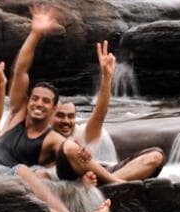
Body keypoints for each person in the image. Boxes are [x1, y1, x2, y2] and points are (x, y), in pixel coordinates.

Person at [0, 4, 115, 212]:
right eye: (34, 98)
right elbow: (20, 71)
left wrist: (84, 163)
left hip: (11, 181)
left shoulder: (53, 138)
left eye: (45, 101)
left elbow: (69, 153)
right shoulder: (17, 112)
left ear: (54, 108)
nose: (37, 103)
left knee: (28, 171)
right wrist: (35, 34)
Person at [49, 40, 165, 181]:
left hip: (100, 175)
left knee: (156, 156)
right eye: (60, 116)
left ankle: (111, 182)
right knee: (69, 147)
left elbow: (100, 113)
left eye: (70, 116)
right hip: (74, 178)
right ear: (49, 116)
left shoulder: (82, 132)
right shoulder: (43, 138)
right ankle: (114, 182)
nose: (66, 121)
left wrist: (107, 77)